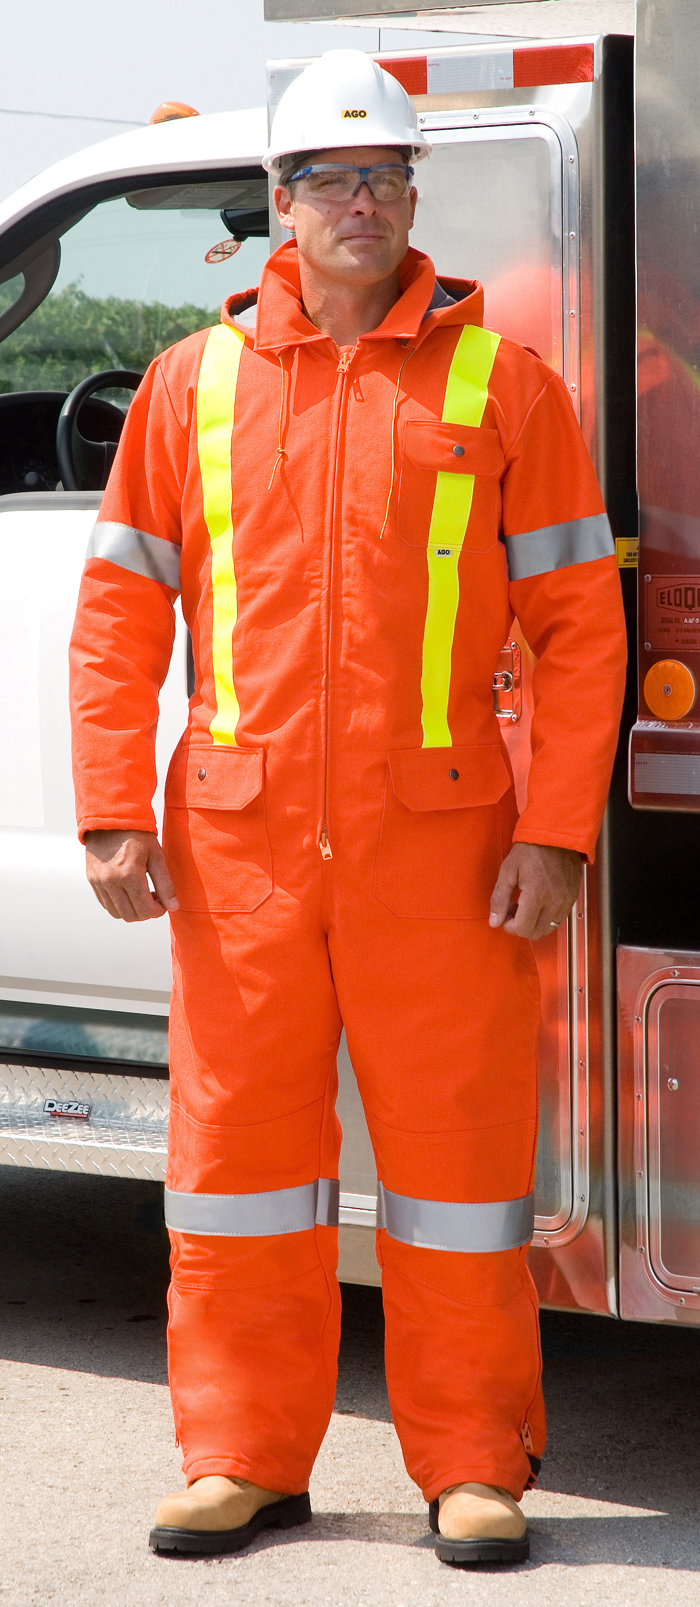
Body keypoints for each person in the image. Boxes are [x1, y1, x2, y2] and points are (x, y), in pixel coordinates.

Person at [69, 49, 627, 1568]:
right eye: (330, 179)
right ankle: (241, 1456)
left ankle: (475, 1462)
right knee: (238, 1170)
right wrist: (114, 808)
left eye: (384, 177)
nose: (360, 203)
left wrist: (556, 832)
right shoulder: (190, 385)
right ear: (280, 201)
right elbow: (120, 617)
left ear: (412, 198)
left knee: (457, 1173)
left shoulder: (503, 385)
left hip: (441, 851)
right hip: (237, 847)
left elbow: (580, 631)